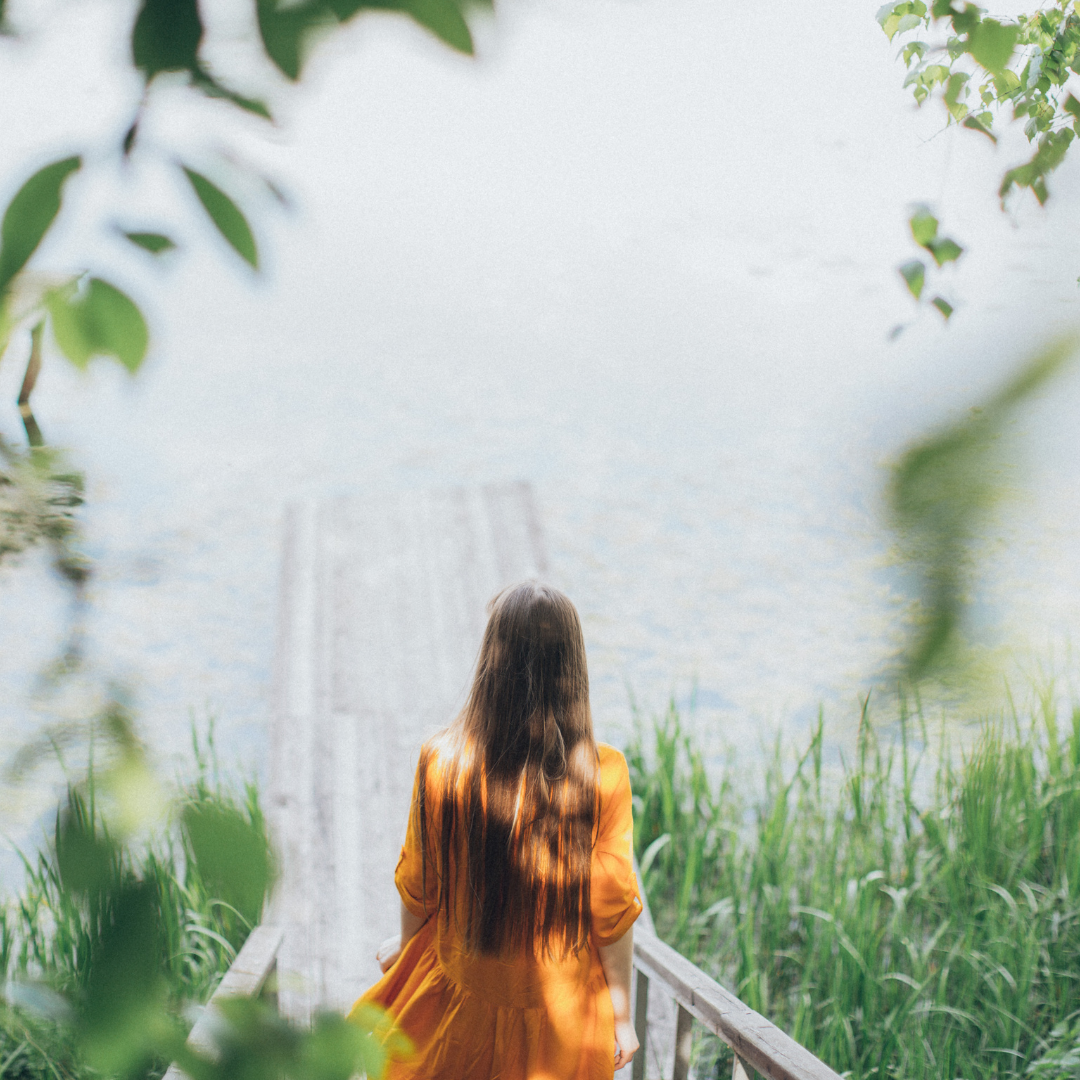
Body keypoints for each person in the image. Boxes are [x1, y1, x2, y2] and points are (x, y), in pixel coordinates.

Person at [348, 581, 643, 1079]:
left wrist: (407, 949)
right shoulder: (603, 774)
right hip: (559, 1022)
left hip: (463, 1005)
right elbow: (610, 913)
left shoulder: (443, 763)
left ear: (492, 664)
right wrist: (623, 1018)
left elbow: (420, 886)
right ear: (573, 669)